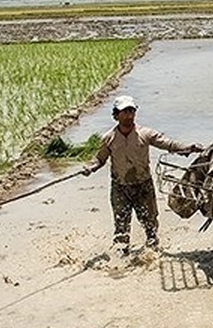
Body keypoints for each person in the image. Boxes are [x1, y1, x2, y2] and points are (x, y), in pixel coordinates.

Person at [81, 95, 203, 252]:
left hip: (143, 185)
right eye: (125, 112)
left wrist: (188, 147)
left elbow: (168, 144)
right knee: (121, 226)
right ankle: (121, 258)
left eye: (131, 111)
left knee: (150, 222)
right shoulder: (109, 138)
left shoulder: (145, 134)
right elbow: (100, 159)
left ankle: (152, 250)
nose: (129, 115)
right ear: (116, 115)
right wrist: (90, 168)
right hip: (120, 187)